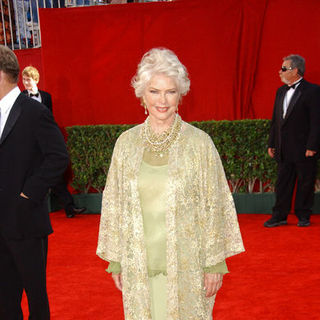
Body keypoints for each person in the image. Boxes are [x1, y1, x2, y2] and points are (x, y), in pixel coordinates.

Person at [97, 48, 244, 320]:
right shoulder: (126, 144)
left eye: (170, 92)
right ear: (142, 94)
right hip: (138, 263)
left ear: (181, 94)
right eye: (154, 91)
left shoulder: (199, 144)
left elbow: (216, 204)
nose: (162, 100)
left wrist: (214, 262)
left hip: (188, 266)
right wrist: (116, 259)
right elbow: (114, 204)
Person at [0, 45, 69, 319]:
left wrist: (28, 194)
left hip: (26, 221)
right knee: (4, 300)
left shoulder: (33, 110)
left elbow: (58, 157)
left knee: (36, 298)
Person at [21, 65, 86, 218]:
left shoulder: (46, 97)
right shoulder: (21, 98)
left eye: (28, 80)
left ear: (36, 80)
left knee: (54, 175)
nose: (26, 83)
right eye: (24, 80)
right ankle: (68, 208)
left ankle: (69, 208)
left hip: (45, 142)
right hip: (29, 144)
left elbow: (49, 119)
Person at [264, 54, 320, 228]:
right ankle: (279, 215)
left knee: (305, 183)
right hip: (283, 148)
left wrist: (312, 146)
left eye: (283, 69)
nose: (279, 72)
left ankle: (303, 215)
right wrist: (272, 143)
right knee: (282, 184)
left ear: (295, 70)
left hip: (304, 148)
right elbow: (276, 120)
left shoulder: (313, 91)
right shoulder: (280, 91)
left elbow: (316, 121)